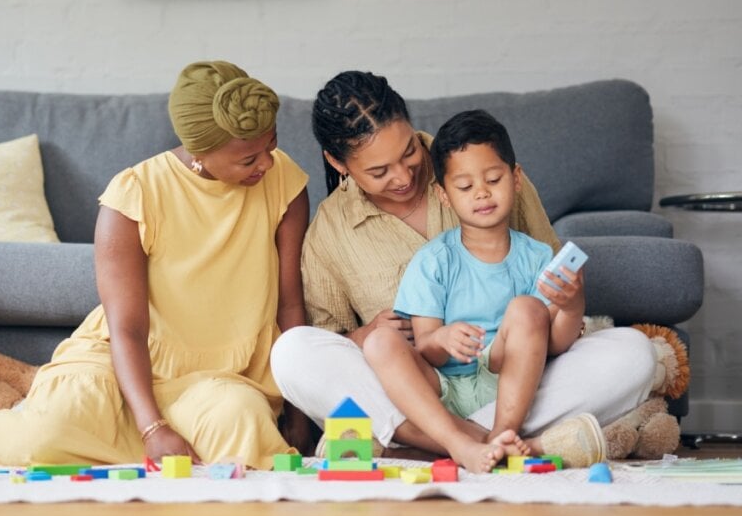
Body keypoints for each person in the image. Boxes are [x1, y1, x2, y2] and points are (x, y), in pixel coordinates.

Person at [0, 60, 311, 470]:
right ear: (200, 154)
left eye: (269, 147)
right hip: (123, 359)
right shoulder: (134, 195)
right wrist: (154, 426)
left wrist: (298, 411)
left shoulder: (284, 180)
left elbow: (290, 301)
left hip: (224, 372)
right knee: (53, 431)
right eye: (249, 159)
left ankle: (128, 446)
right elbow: (128, 327)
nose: (265, 164)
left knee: (242, 424)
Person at [271, 70, 651, 471]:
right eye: (379, 172)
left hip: (515, 374)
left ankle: (431, 446)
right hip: (418, 384)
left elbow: (552, 295)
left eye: (408, 153)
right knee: (292, 352)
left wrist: (567, 302)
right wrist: (363, 335)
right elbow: (329, 338)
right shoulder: (331, 229)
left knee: (635, 354)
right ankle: (501, 444)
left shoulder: (476, 165)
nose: (402, 177)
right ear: (338, 163)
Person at [374, 109, 587, 464]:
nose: (482, 194)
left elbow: (555, 343)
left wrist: (573, 303)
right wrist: (441, 340)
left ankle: (501, 435)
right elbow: (424, 349)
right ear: (444, 196)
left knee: (628, 349)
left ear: (516, 179)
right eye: (465, 186)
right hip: (441, 390)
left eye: (493, 179)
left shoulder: (536, 256)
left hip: (512, 380)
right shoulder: (434, 260)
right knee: (380, 342)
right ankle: (460, 440)